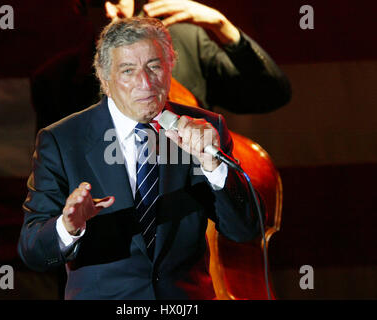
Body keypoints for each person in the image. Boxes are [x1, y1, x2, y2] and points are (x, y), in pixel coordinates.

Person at [18, 17, 261, 299]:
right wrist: (67, 228)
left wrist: (213, 166)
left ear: (171, 66)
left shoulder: (205, 128)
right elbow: (33, 251)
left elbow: (246, 230)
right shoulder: (62, 140)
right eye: (128, 70)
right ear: (104, 79)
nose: (145, 83)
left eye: (154, 67)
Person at [31, 0, 291, 132]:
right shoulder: (54, 80)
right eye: (99, 2)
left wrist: (221, 26)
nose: (111, 11)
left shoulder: (190, 43)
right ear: (80, 7)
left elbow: (271, 93)